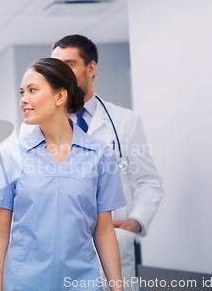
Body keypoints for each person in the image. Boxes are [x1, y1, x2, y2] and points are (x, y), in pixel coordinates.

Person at [19, 35, 164, 291]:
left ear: (91, 67)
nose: (61, 71)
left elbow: (148, 181)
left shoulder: (124, 122)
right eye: (56, 64)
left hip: (115, 247)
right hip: (59, 255)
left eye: (69, 63)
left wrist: (136, 222)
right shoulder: (32, 129)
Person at [0, 58, 126, 291]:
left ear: (60, 96)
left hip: (82, 282)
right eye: (22, 92)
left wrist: (118, 288)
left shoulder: (99, 155)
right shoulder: (10, 156)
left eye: (32, 90)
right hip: (24, 283)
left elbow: (104, 230)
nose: (23, 100)